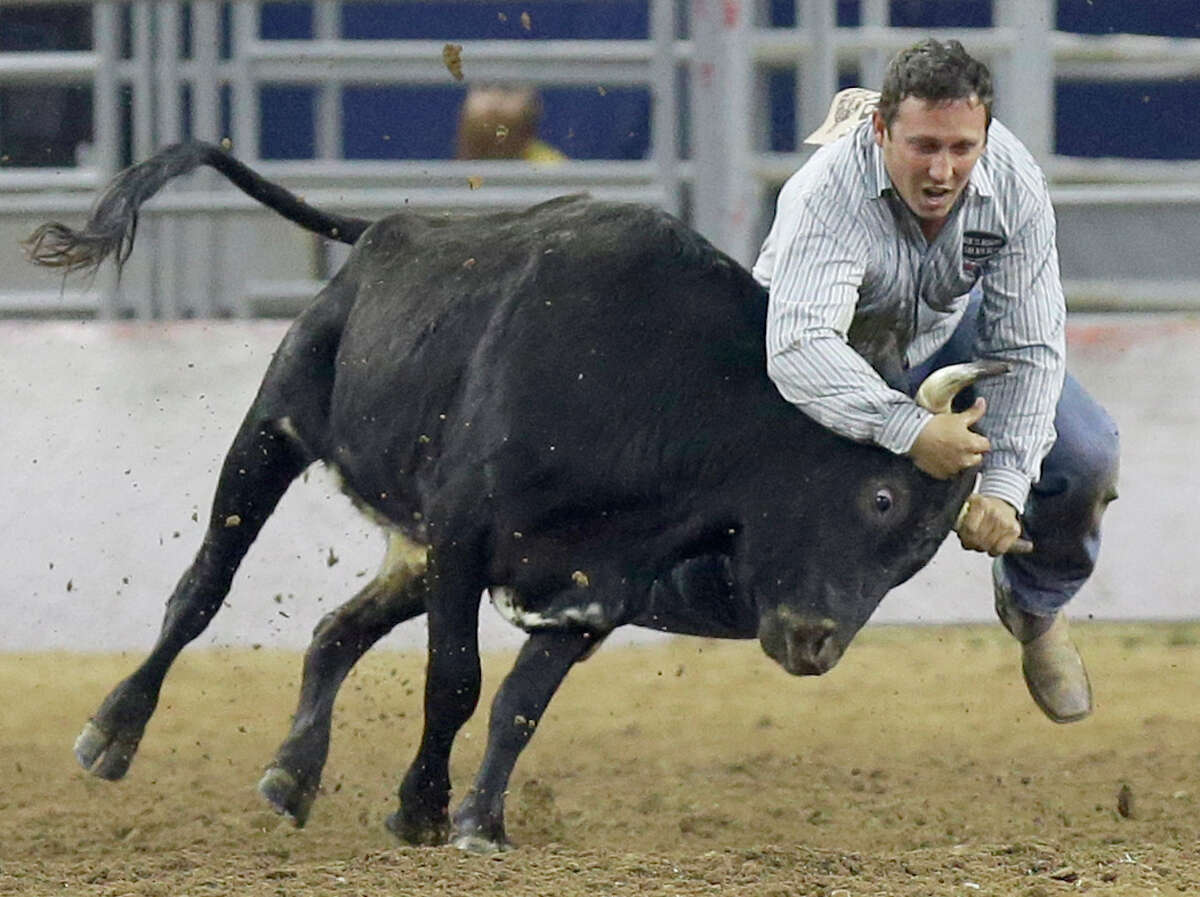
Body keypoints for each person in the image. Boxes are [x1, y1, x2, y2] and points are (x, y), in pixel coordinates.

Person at [753, 39, 1119, 723]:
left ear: (985, 136)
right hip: (829, 354)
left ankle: (1035, 607)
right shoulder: (826, 193)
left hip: (943, 332)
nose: (943, 170)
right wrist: (913, 429)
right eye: (923, 146)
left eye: (961, 147)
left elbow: (1030, 344)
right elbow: (800, 346)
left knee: (1086, 456)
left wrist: (1006, 488)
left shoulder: (1012, 179)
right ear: (881, 129)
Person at [455, 84, 565, 163]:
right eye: (484, 87)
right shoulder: (454, 172)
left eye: (508, 89)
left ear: (533, 106)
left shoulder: (550, 170)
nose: (494, 100)